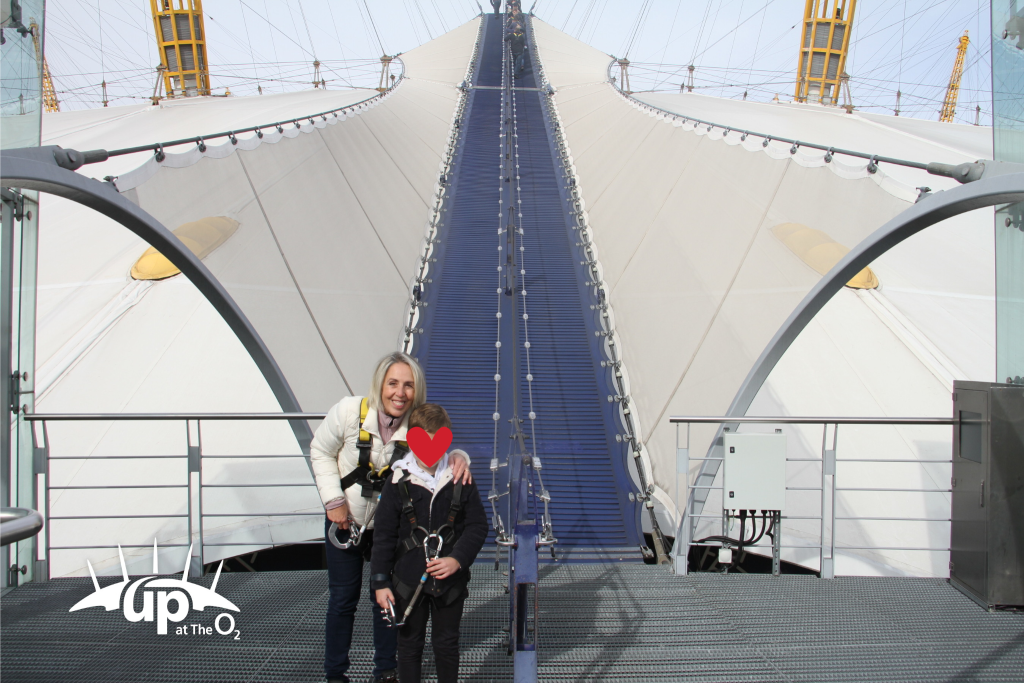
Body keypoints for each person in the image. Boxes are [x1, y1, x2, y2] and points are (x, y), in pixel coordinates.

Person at [311, 352, 473, 683]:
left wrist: (459, 456)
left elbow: (439, 452)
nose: (400, 393)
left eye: (409, 386)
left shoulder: (416, 425)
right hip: (346, 522)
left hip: (389, 529)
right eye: (393, 383)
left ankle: (386, 670)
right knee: (343, 600)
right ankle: (335, 674)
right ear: (380, 385)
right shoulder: (349, 412)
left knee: (386, 599)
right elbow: (321, 450)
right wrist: (333, 501)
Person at [371, 404, 488, 683]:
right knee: (409, 646)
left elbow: (477, 526)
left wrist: (457, 559)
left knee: (447, 644)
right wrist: (380, 582)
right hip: (407, 581)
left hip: (449, 581)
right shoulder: (397, 481)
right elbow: (384, 535)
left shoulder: (460, 478)